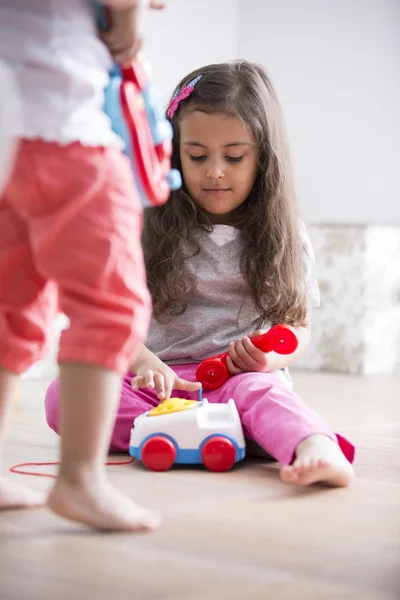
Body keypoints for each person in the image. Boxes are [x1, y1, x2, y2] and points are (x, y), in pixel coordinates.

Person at [46, 60, 355, 487]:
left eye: (233, 157)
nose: (214, 171)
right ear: (174, 151)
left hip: (240, 380)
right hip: (157, 383)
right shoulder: (144, 222)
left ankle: (314, 446)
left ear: (262, 157)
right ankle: (212, 431)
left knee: (263, 396)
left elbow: (296, 326)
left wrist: (272, 357)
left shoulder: (283, 231)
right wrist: (141, 361)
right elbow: (109, 314)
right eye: (196, 156)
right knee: (62, 397)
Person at [0, 0, 166, 531]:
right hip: (64, 127)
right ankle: (79, 479)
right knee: (111, 304)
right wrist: (130, 14)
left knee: (9, 305)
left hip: (6, 133)